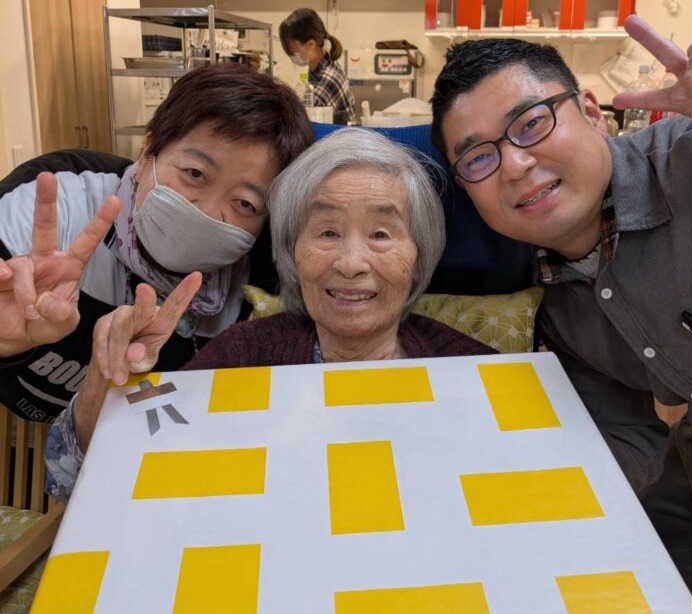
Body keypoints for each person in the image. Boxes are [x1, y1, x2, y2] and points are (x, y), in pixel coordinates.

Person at [430, 13, 692, 597]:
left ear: (591, 112)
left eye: (531, 123)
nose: (515, 165)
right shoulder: (550, 299)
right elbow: (622, 432)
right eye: (479, 158)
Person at [45, 127, 497, 501]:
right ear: (292, 254)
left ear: (419, 256)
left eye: (381, 234)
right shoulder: (242, 356)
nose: (351, 263)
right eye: (327, 232)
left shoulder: (472, 373)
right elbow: (80, 480)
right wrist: (111, 379)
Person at [0, 63, 313, 423]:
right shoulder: (54, 202)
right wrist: (8, 340)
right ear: (148, 151)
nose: (207, 213)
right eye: (194, 174)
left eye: (245, 203)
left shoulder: (259, 281)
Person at [279, 8, 355, 124]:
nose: (291, 52)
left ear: (310, 44)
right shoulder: (318, 69)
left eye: (292, 46)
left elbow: (303, 120)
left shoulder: (328, 78)